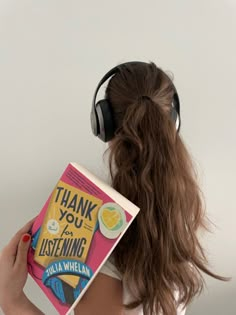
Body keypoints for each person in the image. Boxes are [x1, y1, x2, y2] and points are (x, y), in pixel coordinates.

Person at [0, 61, 229, 315]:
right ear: (172, 122)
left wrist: (12, 300)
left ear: (103, 123)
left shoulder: (100, 232)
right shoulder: (181, 208)